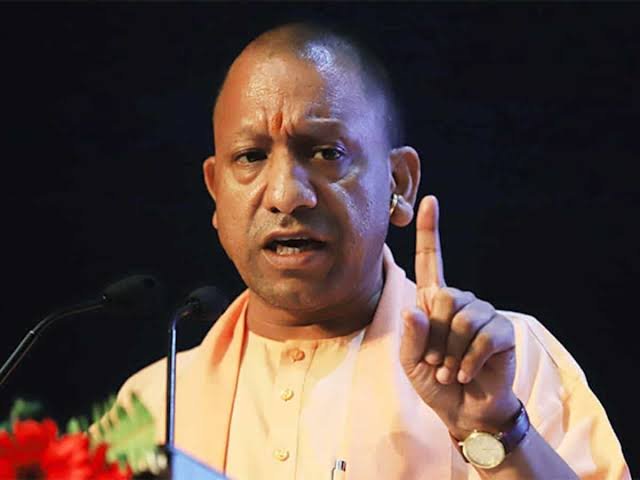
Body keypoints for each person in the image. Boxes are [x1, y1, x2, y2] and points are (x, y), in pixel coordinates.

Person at [113, 23, 630, 479]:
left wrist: (495, 429)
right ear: (216, 192)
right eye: (250, 157)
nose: (286, 194)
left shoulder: (505, 362)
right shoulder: (151, 404)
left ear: (398, 183)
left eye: (326, 152)